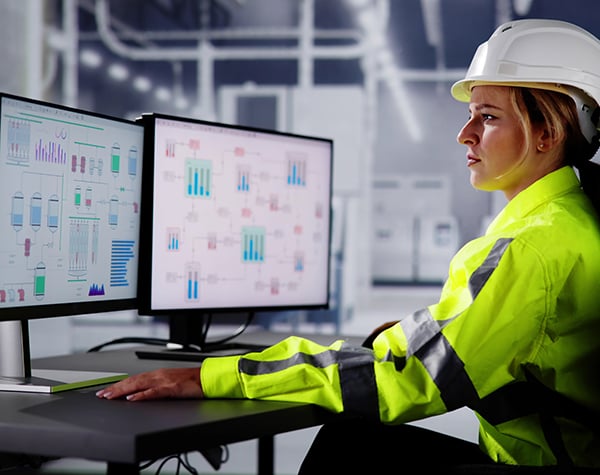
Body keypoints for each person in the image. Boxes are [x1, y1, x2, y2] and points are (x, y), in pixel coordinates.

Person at [97, 19, 600, 471]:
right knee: (355, 442)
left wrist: (215, 378)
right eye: (471, 114)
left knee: (348, 448)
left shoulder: (528, 247)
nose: (464, 135)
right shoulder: (572, 221)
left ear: (547, 132)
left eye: (488, 117)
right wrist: (405, 336)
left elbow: (410, 381)